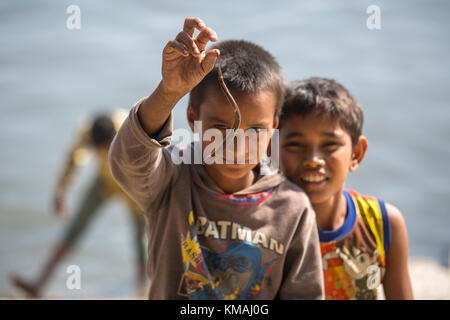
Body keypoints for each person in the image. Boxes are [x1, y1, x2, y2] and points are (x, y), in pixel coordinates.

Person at [108, 17, 324, 299]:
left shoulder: (292, 208)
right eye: (221, 128)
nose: (237, 145)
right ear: (193, 118)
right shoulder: (171, 180)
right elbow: (130, 159)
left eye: (256, 130)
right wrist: (169, 92)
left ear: (274, 126)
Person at [279, 77, 414, 299]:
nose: (313, 160)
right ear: (270, 151)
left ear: (356, 153)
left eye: (330, 145)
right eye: (295, 145)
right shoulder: (263, 226)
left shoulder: (383, 223)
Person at [11, 110, 147, 298]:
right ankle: (39, 283)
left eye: (106, 148)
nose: (103, 153)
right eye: (99, 149)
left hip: (132, 185)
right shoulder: (87, 130)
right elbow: (73, 158)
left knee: (141, 240)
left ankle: (144, 290)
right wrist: (61, 192)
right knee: (74, 228)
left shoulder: (129, 128)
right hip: (104, 182)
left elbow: (151, 158)